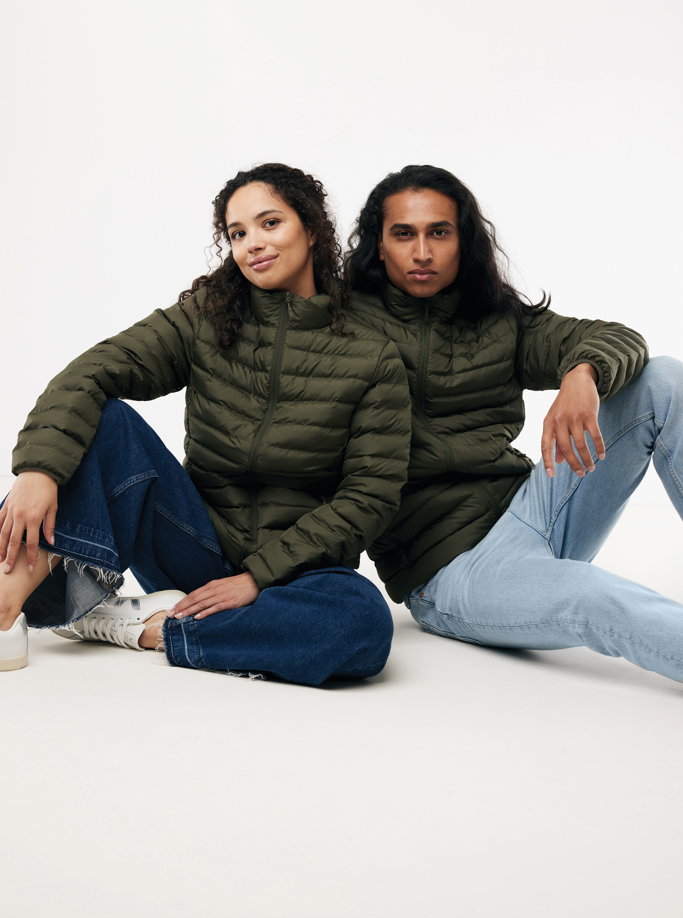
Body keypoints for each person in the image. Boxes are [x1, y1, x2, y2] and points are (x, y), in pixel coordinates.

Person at [0, 163, 411, 684]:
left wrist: (257, 577)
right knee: (108, 421)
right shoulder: (207, 319)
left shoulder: (372, 355)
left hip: (300, 571)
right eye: (237, 233)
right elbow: (94, 371)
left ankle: (152, 629)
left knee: (362, 624)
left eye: (270, 223)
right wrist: (39, 469)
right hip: (195, 544)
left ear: (311, 229)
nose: (252, 244)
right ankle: (4, 610)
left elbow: (370, 497)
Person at [346, 163, 683, 683]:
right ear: (379, 244)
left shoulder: (498, 318)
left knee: (662, 378)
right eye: (404, 234)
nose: (423, 252)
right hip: (453, 569)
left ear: (464, 240)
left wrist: (583, 372)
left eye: (440, 232)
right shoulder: (341, 324)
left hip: (533, 508)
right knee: (592, 596)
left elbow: (619, 337)